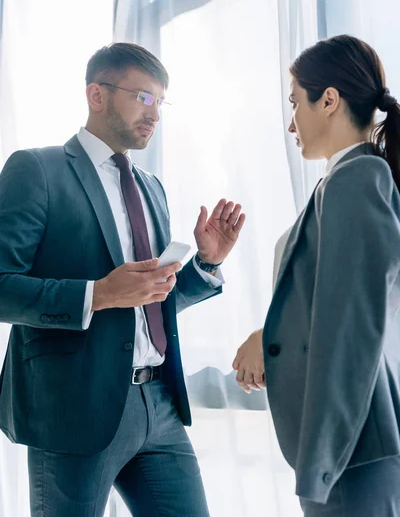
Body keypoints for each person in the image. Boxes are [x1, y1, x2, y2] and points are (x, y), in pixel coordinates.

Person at [0, 42, 246, 517]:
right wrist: (98, 294)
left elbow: (151, 301)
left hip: (160, 406)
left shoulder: (151, 187)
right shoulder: (36, 170)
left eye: (161, 102)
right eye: (143, 98)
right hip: (73, 409)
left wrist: (205, 265)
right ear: (97, 95)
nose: (154, 115)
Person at [233, 35, 400, 516]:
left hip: (352, 455)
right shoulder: (349, 179)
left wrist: (322, 464)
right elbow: (336, 301)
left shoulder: (357, 180)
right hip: (355, 452)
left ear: (328, 100)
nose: (290, 123)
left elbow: (351, 326)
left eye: (294, 103)